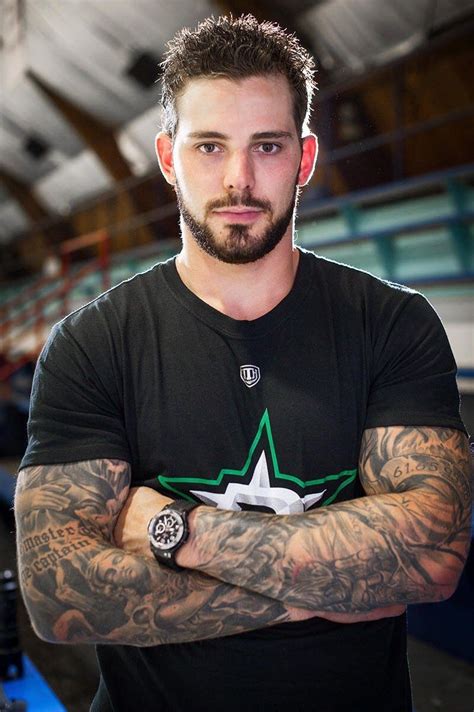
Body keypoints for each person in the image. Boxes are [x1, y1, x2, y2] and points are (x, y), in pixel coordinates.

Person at [15, 14, 471, 712]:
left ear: (305, 158)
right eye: (209, 146)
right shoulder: (91, 344)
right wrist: (329, 591)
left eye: (267, 145)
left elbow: (433, 557)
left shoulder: (390, 324)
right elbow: (60, 597)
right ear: (169, 159)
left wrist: (178, 531)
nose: (239, 179)